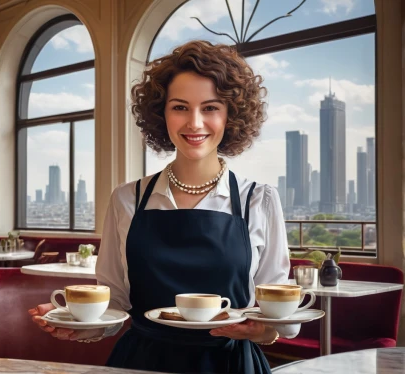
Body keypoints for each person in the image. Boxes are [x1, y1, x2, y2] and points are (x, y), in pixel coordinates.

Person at [29, 40, 294, 373]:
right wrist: (79, 325)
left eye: (210, 108)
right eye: (180, 107)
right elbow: (115, 305)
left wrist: (262, 331)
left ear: (231, 115)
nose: (194, 123)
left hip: (231, 364)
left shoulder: (260, 200)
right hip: (142, 362)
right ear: (161, 113)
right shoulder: (127, 198)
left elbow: (283, 321)